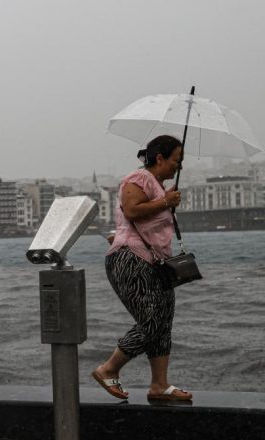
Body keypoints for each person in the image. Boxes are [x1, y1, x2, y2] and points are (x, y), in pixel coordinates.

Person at [92, 135, 193, 402]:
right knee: (151, 322)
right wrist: (165, 203)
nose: (178, 167)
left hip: (156, 263)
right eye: (176, 160)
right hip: (131, 258)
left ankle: (160, 385)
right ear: (160, 158)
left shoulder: (159, 186)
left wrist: (165, 200)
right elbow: (132, 210)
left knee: (163, 322)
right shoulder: (140, 178)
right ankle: (108, 369)